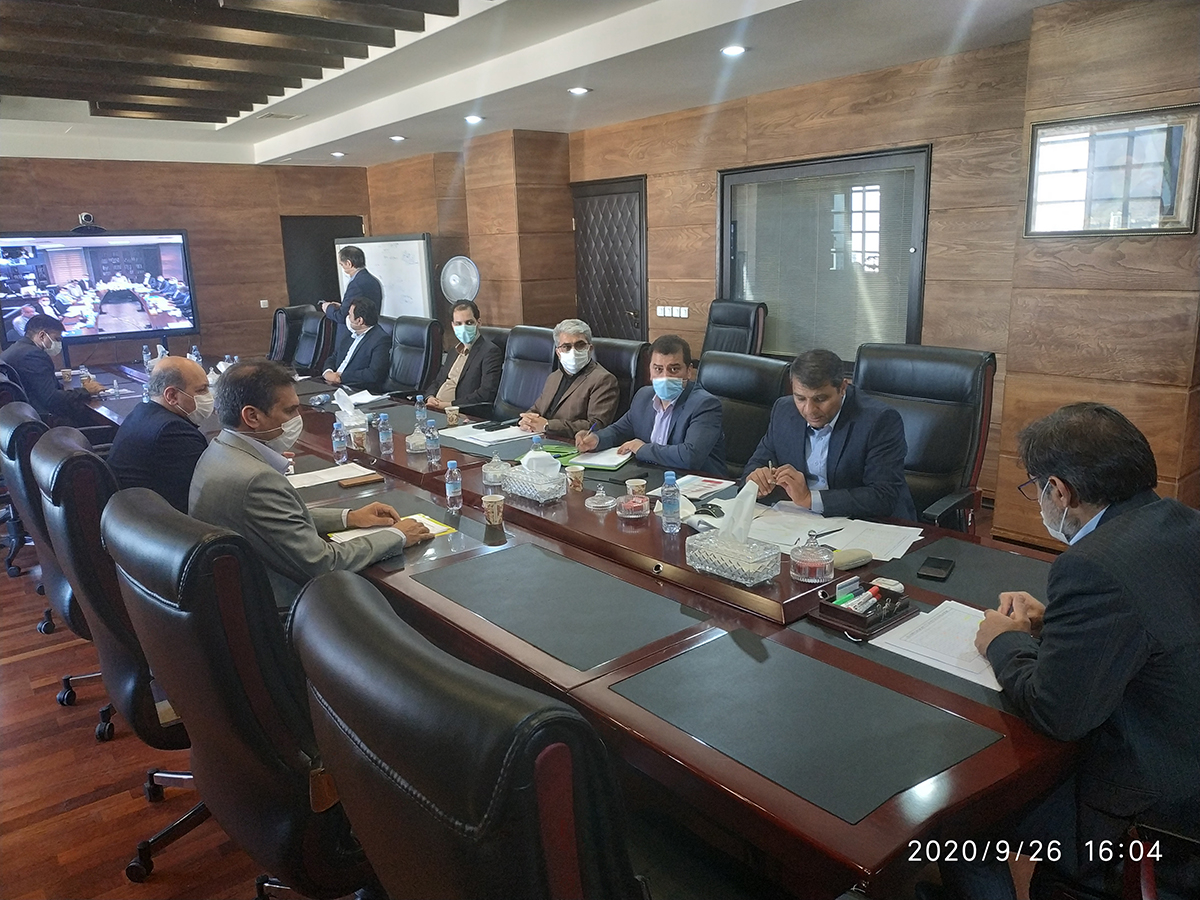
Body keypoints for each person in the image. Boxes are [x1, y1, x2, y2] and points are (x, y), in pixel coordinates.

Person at [934, 404, 1200, 900]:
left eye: (1036, 487)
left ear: (1059, 490)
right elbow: (1154, 623)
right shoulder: (1183, 521)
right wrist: (1056, 622)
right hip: (1184, 754)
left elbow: (1057, 712)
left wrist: (1003, 640)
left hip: (1152, 816)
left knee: (963, 822)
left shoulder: (1094, 565)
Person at [188, 360, 433, 612]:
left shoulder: (219, 450)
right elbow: (323, 564)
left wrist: (349, 518)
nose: (298, 418)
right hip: (282, 610)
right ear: (252, 416)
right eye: (290, 411)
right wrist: (397, 536)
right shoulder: (257, 480)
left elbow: (276, 520)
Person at [744, 348, 915, 519]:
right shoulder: (784, 410)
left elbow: (883, 496)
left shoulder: (879, 420)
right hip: (798, 518)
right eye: (800, 398)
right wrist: (756, 481)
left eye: (820, 399)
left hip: (863, 521)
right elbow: (756, 464)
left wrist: (810, 499)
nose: (809, 410)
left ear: (842, 388)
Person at [574, 334, 725, 476]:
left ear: (689, 371)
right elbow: (619, 431)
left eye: (674, 369)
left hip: (697, 482)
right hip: (653, 476)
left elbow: (689, 457)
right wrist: (596, 439)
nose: (665, 376)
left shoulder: (705, 405)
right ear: (650, 371)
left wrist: (642, 449)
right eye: (658, 369)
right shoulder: (643, 396)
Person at [107, 356, 212, 513]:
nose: (209, 396)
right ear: (172, 396)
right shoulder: (173, 432)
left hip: (126, 516)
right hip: (154, 521)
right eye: (201, 390)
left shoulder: (141, 411)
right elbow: (203, 493)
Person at [519, 318, 618, 439]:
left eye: (580, 345)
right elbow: (536, 410)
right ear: (558, 352)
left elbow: (596, 425)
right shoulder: (554, 377)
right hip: (540, 438)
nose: (573, 351)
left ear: (590, 348)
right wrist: (527, 419)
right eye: (566, 346)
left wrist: (548, 425)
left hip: (570, 443)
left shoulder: (604, 380)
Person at [0, 313, 103, 426]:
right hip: (42, 422)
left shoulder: (15, 349)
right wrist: (86, 391)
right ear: (42, 335)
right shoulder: (33, 355)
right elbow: (51, 399)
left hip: (19, 418)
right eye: (57, 339)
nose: (59, 344)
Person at [425, 300, 501, 411]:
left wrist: (450, 405)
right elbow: (438, 381)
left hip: (461, 412)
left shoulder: (490, 352)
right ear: (453, 325)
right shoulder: (453, 351)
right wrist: (430, 397)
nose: (464, 328)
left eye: (469, 323)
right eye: (458, 324)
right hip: (436, 408)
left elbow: (486, 393)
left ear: (478, 322)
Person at [321, 295, 390, 393]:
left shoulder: (381, 340)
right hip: (332, 384)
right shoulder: (349, 334)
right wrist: (328, 372)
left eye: (349, 315)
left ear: (359, 321)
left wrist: (340, 377)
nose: (347, 318)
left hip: (353, 389)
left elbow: (373, 374)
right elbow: (334, 357)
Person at [318, 245, 383, 323]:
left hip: (357, 328)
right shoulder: (373, 280)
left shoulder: (356, 284)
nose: (342, 267)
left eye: (341, 264)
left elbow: (342, 317)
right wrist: (342, 307)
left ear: (348, 263)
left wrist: (328, 308)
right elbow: (362, 309)